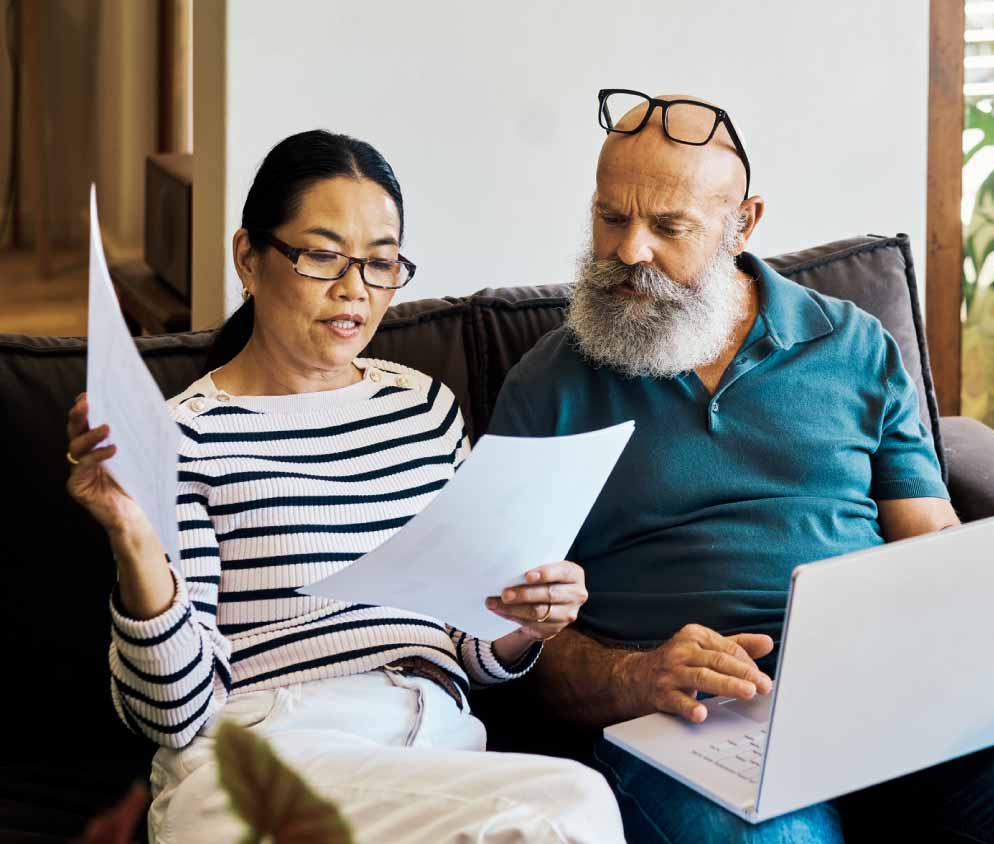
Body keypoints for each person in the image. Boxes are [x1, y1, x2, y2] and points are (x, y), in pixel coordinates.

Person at [488, 91, 994, 843]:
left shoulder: (852, 344)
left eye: (668, 226)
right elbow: (518, 642)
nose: (629, 251)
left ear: (741, 226)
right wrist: (634, 677)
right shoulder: (548, 383)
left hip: (886, 694)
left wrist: (970, 655)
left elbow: (931, 543)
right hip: (683, 721)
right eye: (611, 216)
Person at [66, 130, 624, 844]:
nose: (354, 288)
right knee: (570, 806)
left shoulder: (425, 410)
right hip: (269, 749)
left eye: (381, 263)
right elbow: (173, 712)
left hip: (436, 746)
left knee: (564, 805)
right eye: (323, 255)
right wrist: (134, 542)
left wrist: (525, 617)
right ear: (250, 257)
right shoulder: (185, 434)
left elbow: (472, 650)